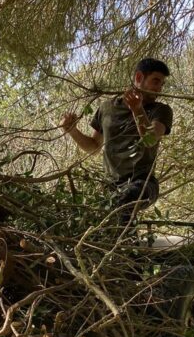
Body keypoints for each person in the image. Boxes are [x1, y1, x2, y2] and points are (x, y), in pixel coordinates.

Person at [60, 58, 173, 222]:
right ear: (139, 78)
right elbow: (94, 147)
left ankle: (127, 246)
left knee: (124, 200)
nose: (159, 88)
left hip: (143, 184)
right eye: (156, 81)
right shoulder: (107, 108)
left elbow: (149, 139)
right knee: (88, 216)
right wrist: (71, 130)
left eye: (162, 84)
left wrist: (137, 109)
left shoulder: (161, 110)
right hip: (110, 186)